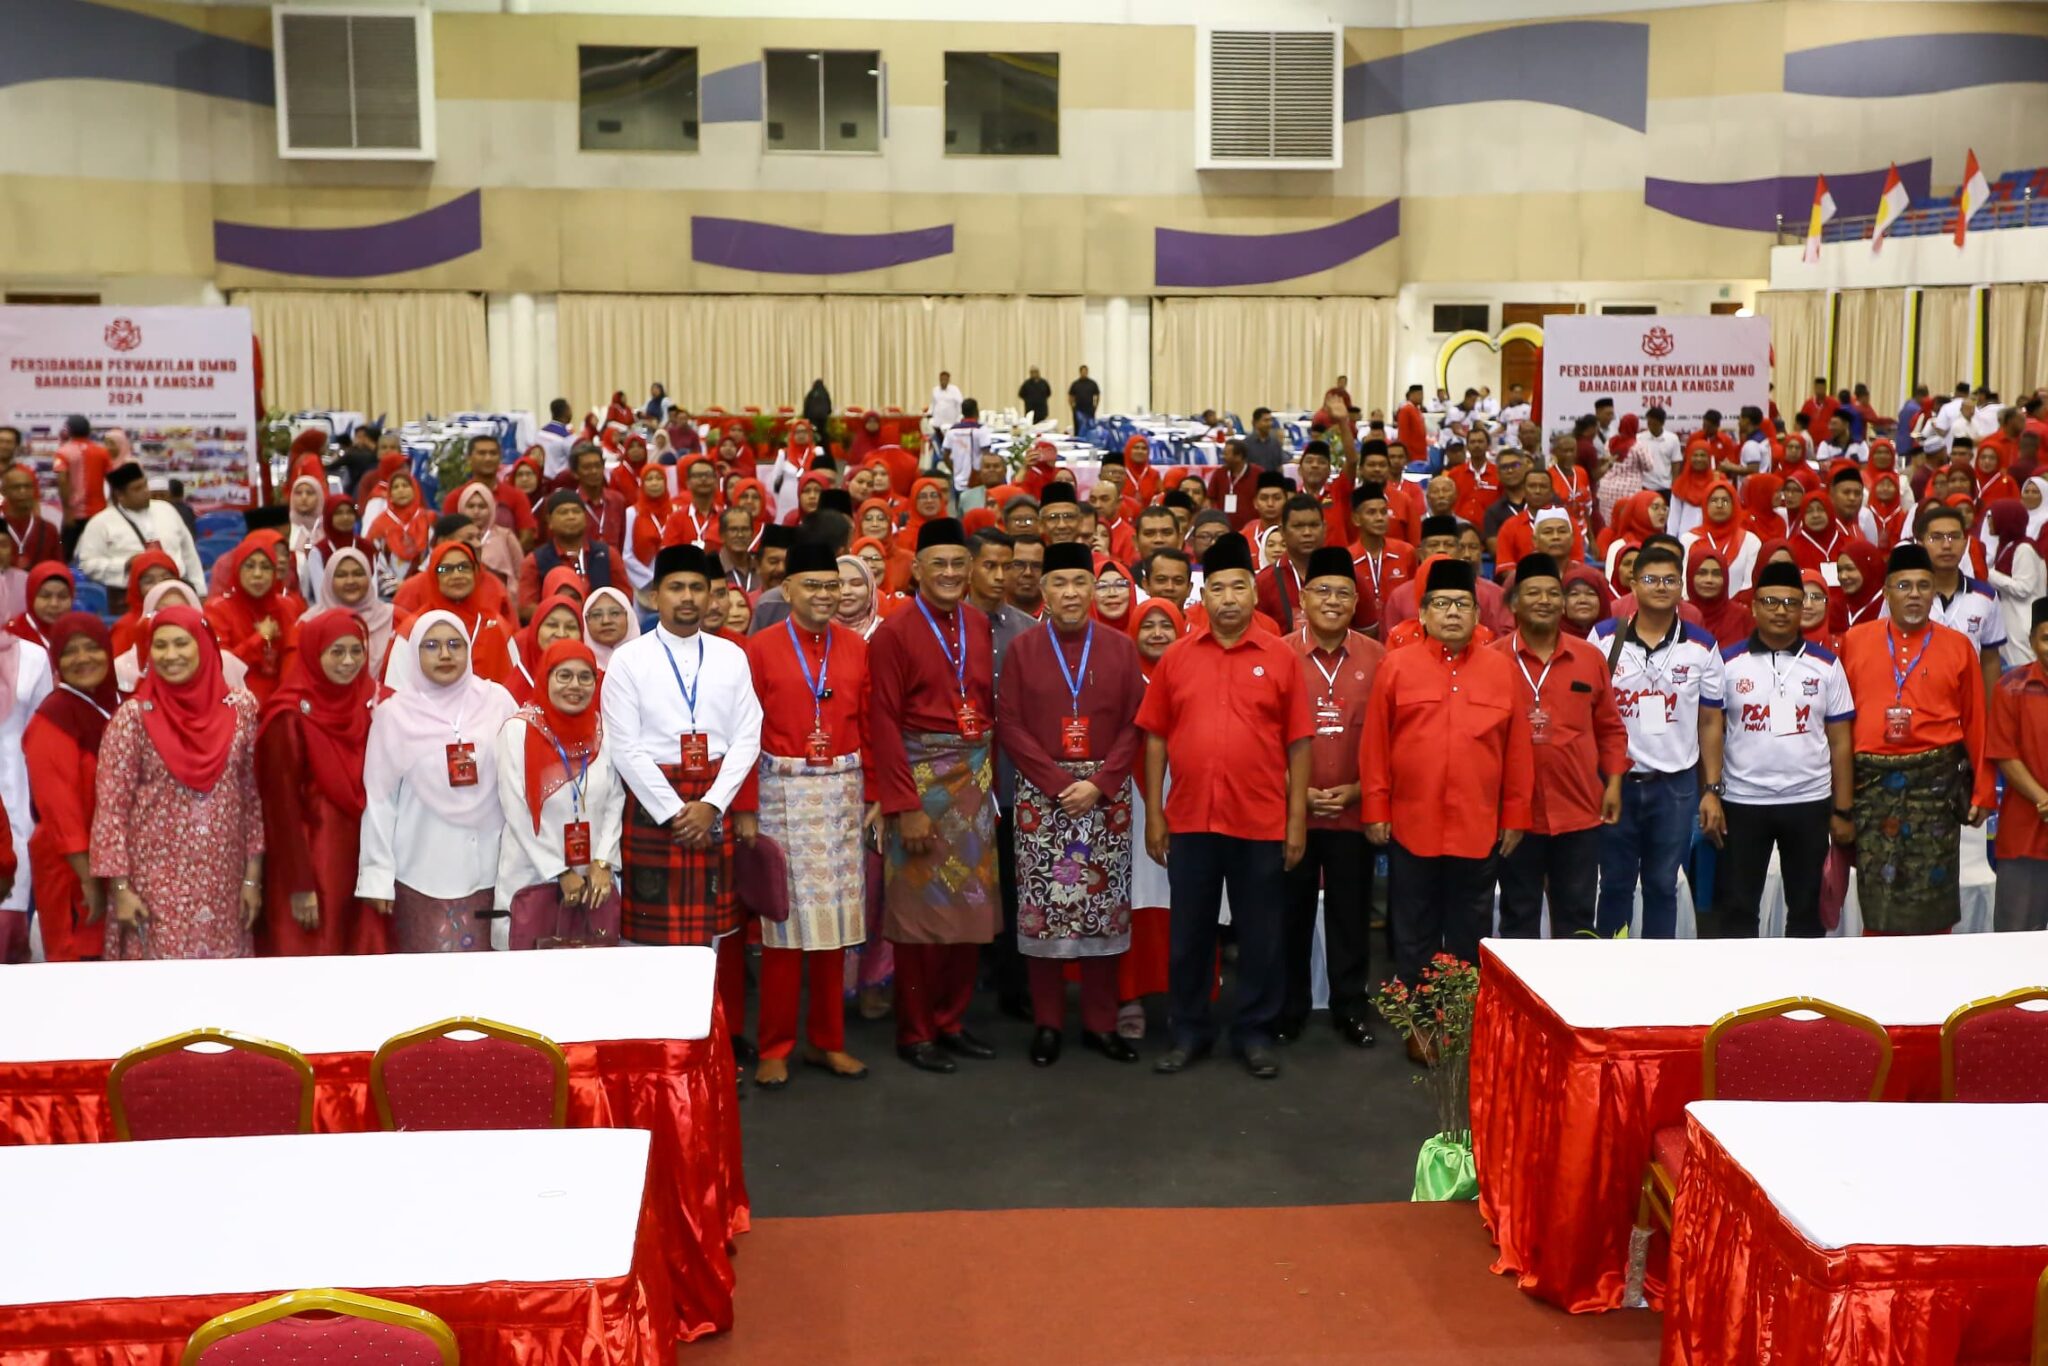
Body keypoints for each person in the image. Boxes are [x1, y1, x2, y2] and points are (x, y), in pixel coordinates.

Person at [1138, 532, 1310, 1080]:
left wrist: (1296, 819)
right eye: (1218, 589)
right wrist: (1156, 815)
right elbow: (1156, 738)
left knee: (1260, 934)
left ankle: (1254, 1031)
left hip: (1259, 820)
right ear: (1202, 597)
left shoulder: (1281, 658)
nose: (1230, 598)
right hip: (1190, 818)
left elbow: (1299, 742)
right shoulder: (1177, 659)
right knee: (1189, 932)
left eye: (1239, 586)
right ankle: (1188, 1031)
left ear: (1253, 595)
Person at [600, 543, 764, 1060]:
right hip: (655, 806)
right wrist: (676, 811)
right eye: (677, 587)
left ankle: (704, 1051)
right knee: (648, 940)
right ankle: (652, 1048)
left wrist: (713, 805)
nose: (688, 598)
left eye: (699, 587)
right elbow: (625, 747)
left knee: (711, 937)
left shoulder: (731, 655)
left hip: (712, 799)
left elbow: (748, 736)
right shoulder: (629, 660)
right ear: (654, 594)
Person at [1362, 556, 1531, 1023]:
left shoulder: (1501, 671)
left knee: (1468, 927)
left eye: (1462, 604)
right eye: (1441, 603)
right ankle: (1417, 1019)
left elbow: (1517, 751)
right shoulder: (1396, 667)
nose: (1452, 612)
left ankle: (1458, 1018)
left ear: (1478, 615)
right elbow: (1375, 743)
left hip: (1477, 826)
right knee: (1412, 925)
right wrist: (1375, 806)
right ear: (1423, 614)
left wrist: (1515, 815)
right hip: (1412, 822)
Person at [996, 541, 1146, 1066]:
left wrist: (1101, 782)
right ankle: (1048, 1023)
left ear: (1094, 589)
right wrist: (1059, 781)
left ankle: (1102, 1024)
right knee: (1045, 912)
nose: (1070, 593)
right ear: (1044, 590)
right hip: (1043, 796)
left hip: (1106, 796)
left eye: (1079, 583)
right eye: (1059, 583)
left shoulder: (1121, 648)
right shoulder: (1023, 650)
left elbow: (1136, 722)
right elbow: (1009, 723)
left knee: (1103, 909)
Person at [866, 518, 999, 1071]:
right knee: (919, 919)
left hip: (974, 781)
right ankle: (915, 1029)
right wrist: (904, 806)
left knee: (969, 911)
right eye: (937, 564)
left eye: (957, 564)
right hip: (920, 786)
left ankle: (951, 1020)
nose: (948, 574)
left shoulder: (976, 621)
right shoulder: (894, 632)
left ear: (969, 571)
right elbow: (882, 722)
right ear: (916, 569)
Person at [743, 542, 874, 1086]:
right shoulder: (760, 648)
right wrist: (746, 805)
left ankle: (828, 1041)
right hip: (780, 793)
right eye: (813, 585)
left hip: (842, 790)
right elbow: (743, 732)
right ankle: (775, 1046)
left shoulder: (857, 647)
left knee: (836, 928)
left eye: (833, 586)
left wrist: (878, 796)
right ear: (788, 589)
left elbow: (868, 720)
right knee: (782, 926)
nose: (825, 595)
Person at [1838, 543, 1995, 934]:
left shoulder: (1958, 645)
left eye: (1923, 586)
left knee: (1935, 890)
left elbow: (1977, 721)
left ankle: (1935, 976)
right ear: (1887, 592)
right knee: (1877, 888)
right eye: (1904, 586)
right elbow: (1838, 725)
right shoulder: (1855, 640)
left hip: (1936, 783)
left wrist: (1983, 790)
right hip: (1871, 785)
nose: (1914, 594)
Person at [93, 607, 262, 960]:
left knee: (221, 1001)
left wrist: (252, 879)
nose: (171, 656)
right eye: (161, 646)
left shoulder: (242, 709)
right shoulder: (133, 719)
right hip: (153, 890)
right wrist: (121, 889)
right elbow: (111, 809)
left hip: (224, 886)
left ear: (203, 645)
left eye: (182, 644)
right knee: (160, 1002)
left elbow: (251, 798)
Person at [1700, 561, 1855, 939]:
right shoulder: (1727, 661)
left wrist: (1843, 810)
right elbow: (1711, 728)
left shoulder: (1826, 665)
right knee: (1737, 909)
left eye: (1791, 603)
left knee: (1806, 911)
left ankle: (1803, 993)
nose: (1781, 610)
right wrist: (1712, 792)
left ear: (1803, 610)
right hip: (1742, 800)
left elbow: (1841, 740)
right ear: (1753, 607)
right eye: (1770, 601)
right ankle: (1744, 991)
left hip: (1809, 801)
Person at [359, 611, 518, 952]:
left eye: (454, 644)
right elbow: (380, 800)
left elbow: (520, 781)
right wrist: (377, 875)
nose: (445, 655)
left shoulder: (499, 701)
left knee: (489, 989)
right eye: (431, 646)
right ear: (414, 653)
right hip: (421, 872)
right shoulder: (393, 714)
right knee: (431, 990)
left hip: (493, 868)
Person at [1589, 544, 1726, 938]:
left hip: (1675, 786)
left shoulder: (1702, 645)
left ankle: (1658, 977)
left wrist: (1711, 789)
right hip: (1616, 782)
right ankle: (1611, 972)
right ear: (1632, 584)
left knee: (1663, 887)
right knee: (1613, 886)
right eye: (1650, 579)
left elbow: (1711, 721)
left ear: (1681, 586)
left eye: (1669, 580)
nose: (1660, 587)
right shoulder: (1602, 638)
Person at [1491, 554, 1627, 940]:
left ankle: (1573, 999)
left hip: (1579, 808)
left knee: (1578, 918)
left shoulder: (1589, 657)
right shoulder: (1492, 659)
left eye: (1553, 593)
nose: (1545, 600)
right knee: (1518, 914)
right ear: (1514, 603)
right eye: (1533, 592)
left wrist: (1614, 783)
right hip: (1515, 814)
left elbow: (1610, 728)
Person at [1279, 546, 1384, 1045]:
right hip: (1290, 814)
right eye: (1323, 590)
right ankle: (1289, 1008)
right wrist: (1295, 792)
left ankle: (1349, 1007)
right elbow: (1260, 738)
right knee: (1289, 915)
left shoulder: (1379, 659)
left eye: (1344, 593)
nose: (1333, 600)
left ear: (1356, 602)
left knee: (1350, 913)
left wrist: (1359, 791)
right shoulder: (1277, 655)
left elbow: (1392, 741)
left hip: (1353, 811)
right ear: (1302, 597)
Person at [255, 610, 378, 956]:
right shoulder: (288, 716)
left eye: (357, 651)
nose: (349, 661)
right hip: (311, 863)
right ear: (312, 653)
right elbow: (280, 808)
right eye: (336, 652)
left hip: (358, 858)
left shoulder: (368, 703)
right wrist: (299, 885)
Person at [494, 638, 623, 950]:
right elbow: (516, 810)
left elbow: (616, 799)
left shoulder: (602, 730)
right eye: (563, 675)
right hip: (531, 878)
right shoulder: (518, 731)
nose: (574, 686)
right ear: (545, 678)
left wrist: (603, 861)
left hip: (593, 882)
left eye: (584, 676)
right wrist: (560, 872)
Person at [22, 613, 114, 962]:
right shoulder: (53, 717)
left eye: (92, 648)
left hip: (115, 868)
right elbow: (60, 811)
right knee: (82, 971)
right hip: (75, 874)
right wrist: (88, 878)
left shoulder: (118, 702)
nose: (82, 659)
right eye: (70, 652)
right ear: (56, 660)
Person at [1990, 600, 2048, 930]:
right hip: (2025, 830)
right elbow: (2003, 753)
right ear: (2031, 641)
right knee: (2016, 940)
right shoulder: (2011, 688)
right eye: (2047, 638)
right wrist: (2043, 798)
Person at [1913, 502, 2007, 694]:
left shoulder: (1986, 597)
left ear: (1965, 543)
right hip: (1916, 699)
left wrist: (1988, 718)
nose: (1947, 545)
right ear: (1920, 544)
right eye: (1936, 537)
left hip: (1967, 700)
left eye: (1954, 537)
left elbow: (1990, 661)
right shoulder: (1904, 596)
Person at [205, 534, 302, 705]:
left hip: (282, 700)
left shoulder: (287, 606)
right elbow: (221, 667)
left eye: (265, 567)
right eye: (249, 566)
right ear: (237, 569)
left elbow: (294, 659)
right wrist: (259, 639)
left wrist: (284, 700)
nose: (257, 574)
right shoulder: (218, 609)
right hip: (236, 700)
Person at [1255, 494, 1328, 633]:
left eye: (1313, 525)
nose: (1307, 533)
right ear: (1282, 531)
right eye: (1298, 526)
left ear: (1324, 528)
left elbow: (1367, 630)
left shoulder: (1345, 576)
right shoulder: (1264, 582)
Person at [52, 415, 111, 557]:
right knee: (100, 552)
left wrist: (67, 511)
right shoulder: (102, 452)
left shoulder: (62, 452)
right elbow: (112, 479)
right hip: (99, 511)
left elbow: (61, 480)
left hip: (74, 513)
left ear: (68, 431)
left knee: (65, 553)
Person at [0, 466, 62, 573]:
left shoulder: (49, 529)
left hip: (39, 587)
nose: (23, 491)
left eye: (28, 487)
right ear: (4, 491)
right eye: (16, 487)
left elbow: (58, 568)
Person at [582, 585, 640, 671]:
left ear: (629, 617)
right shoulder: (578, 664)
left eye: (615, 613)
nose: (606, 621)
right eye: (596, 615)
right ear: (585, 620)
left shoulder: (648, 660)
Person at [928, 370, 965, 448]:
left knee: (950, 443)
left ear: (948, 380)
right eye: (941, 379)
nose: (943, 381)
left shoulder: (954, 390)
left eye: (945, 379)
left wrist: (959, 418)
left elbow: (960, 404)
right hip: (938, 422)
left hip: (951, 422)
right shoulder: (935, 390)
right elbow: (933, 404)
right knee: (939, 441)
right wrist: (929, 413)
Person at [1068, 366, 1101, 432]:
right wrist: (1073, 407)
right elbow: (1070, 396)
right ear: (1080, 372)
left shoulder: (1092, 383)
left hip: (1089, 410)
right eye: (1082, 371)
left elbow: (1097, 395)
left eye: (1085, 371)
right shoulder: (1075, 384)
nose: (1084, 373)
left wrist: (1095, 406)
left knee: (1090, 429)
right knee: (1078, 429)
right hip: (1078, 410)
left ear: (1087, 372)